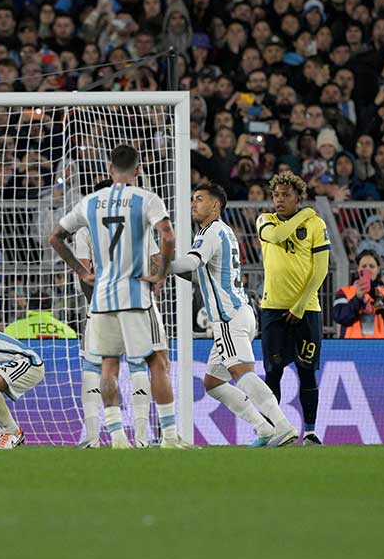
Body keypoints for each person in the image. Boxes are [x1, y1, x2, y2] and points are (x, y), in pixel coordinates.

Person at [48, 144, 185, 449]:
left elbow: (54, 237)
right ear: (138, 171)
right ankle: (170, 438)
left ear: (110, 171)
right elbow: (168, 235)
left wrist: (82, 273)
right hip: (136, 294)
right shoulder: (146, 198)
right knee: (157, 362)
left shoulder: (91, 202)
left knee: (108, 366)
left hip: (102, 298)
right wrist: (161, 273)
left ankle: (117, 437)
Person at [170, 183, 299, 447]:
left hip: (228, 317)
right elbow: (199, 274)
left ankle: (282, 426)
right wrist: (169, 270)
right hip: (239, 312)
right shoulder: (224, 231)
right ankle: (263, 428)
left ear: (215, 205)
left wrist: (161, 264)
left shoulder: (210, 231)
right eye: (192, 199)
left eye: (200, 199)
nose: (193, 204)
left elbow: (192, 263)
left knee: (243, 374)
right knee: (214, 383)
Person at [68, 179, 153, 448]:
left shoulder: (87, 227)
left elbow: (84, 270)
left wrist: (94, 303)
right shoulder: (141, 221)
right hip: (136, 303)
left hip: (102, 304)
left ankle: (97, 437)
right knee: (139, 366)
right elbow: (153, 262)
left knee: (94, 368)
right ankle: (142, 437)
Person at [256, 172, 330, 445]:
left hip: (307, 310)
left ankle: (309, 431)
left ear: (298, 196)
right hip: (272, 308)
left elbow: (320, 270)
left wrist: (299, 305)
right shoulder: (266, 221)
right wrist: (305, 212)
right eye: (276, 195)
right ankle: (273, 430)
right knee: (273, 371)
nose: (279, 200)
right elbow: (277, 236)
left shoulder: (316, 225)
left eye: (286, 195)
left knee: (307, 370)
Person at [332, 251, 384, 339]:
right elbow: (340, 318)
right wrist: (357, 298)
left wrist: (380, 299)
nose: (367, 270)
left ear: (378, 269)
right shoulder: (344, 292)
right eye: (364, 266)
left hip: (380, 346)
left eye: (372, 266)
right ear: (358, 269)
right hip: (351, 346)